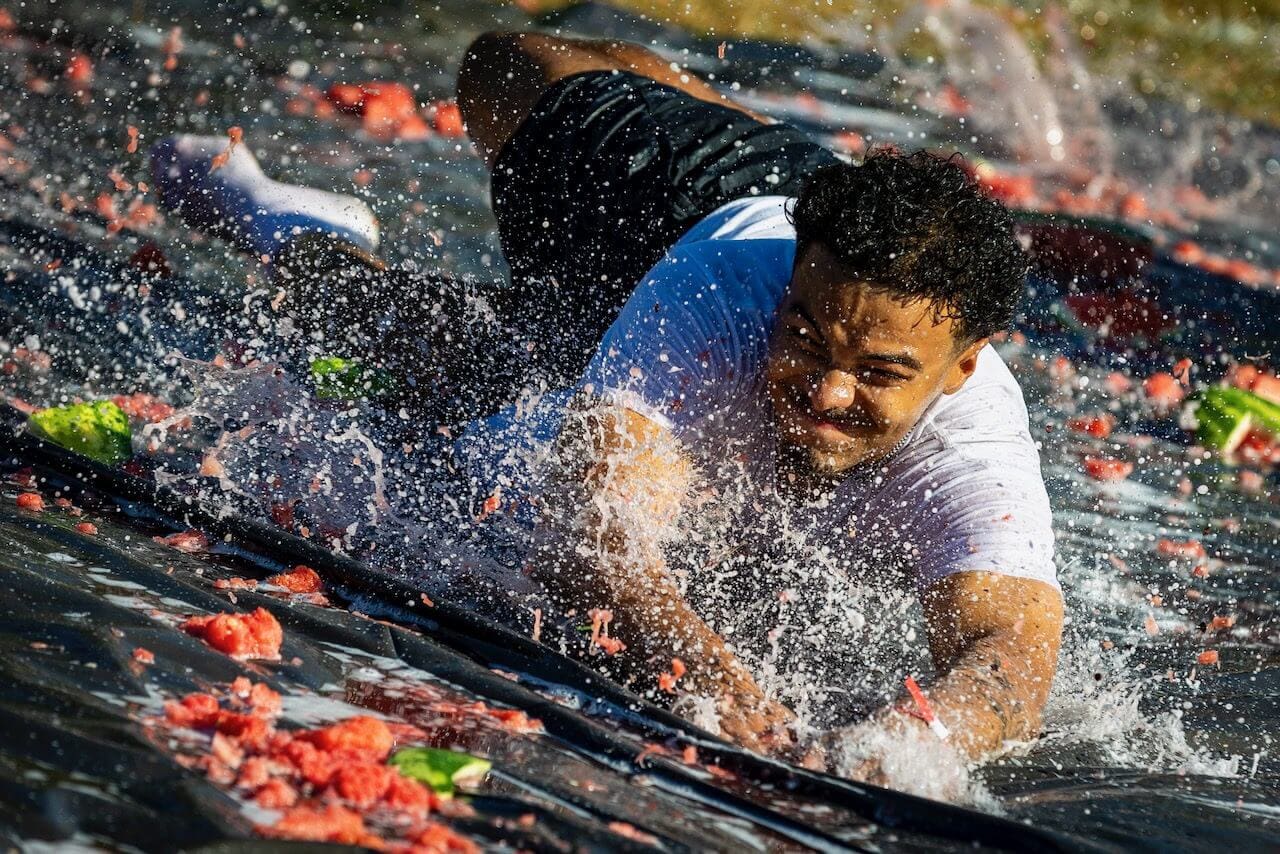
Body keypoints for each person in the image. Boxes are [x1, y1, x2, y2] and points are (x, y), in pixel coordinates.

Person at [152, 31, 1063, 773]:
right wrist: (717, 681)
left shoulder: (977, 446)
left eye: (878, 373)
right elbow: (595, 540)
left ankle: (332, 240)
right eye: (809, 339)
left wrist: (901, 747)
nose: (827, 390)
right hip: (674, 207)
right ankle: (292, 229)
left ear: (962, 367)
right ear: (793, 287)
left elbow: (1011, 659)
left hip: (787, 235)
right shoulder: (725, 294)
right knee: (506, 69)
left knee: (465, 353)